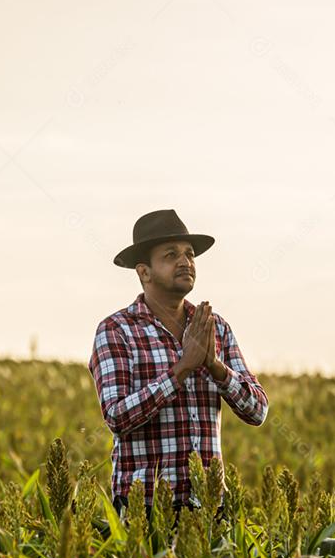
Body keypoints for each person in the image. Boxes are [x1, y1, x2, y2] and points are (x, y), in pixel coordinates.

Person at [88, 209, 270, 526]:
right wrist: (181, 370)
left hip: (210, 509)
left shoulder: (214, 328)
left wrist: (214, 366)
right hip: (144, 511)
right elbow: (117, 416)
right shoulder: (116, 330)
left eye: (189, 254)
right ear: (144, 272)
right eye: (171, 255)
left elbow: (258, 410)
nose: (185, 262)